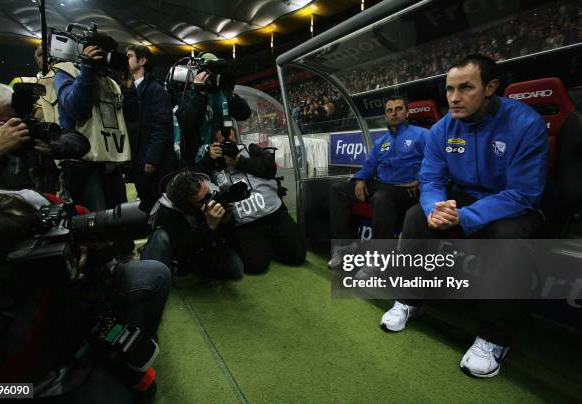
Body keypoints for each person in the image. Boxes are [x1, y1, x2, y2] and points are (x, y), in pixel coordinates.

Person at [380, 54, 548, 378]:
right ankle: (408, 300)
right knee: (416, 216)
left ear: (490, 87)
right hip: (464, 200)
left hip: (513, 204)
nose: (454, 98)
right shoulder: (442, 128)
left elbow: (523, 193)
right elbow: (430, 180)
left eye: (466, 88)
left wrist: (465, 216)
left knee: (507, 235)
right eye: (449, 89)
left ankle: (494, 338)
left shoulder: (526, 123)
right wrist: (435, 209)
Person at [0, 184, 171, 402]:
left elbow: (84, 217)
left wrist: (90, 243)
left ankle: (114, 360)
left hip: (72, 302)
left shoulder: (27, 201)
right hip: (14, 384)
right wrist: (57, 280)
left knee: (152, 275)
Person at [329, 96, 429, 263]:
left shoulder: (423, 135)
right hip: (381, 185)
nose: (394, 113)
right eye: (389, 110)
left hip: (406, 188)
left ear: (407, 113)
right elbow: (369, 165)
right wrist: (361, 180)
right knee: (338, 189)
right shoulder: (381, 141)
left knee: (381, 197)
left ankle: (378, 258)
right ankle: (345, 246)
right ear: (385, 116)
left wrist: (420, 179)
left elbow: (435, 162)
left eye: (399, 109)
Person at [198, 129, 306, 274]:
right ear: (213, 143)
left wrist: (240, 161)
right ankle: (258, 245)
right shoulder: (211, 162)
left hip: (275, 214)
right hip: (247, 224)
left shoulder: (250, 148)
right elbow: (198, 180)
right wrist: (208, 159)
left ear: (235, 136)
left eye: (230, 138)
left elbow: (269, 169)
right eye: (221, 143)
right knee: (255, 267)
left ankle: (270, 244)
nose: (227, 144)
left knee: (297, 257)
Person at [53, 37, 131, 212]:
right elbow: (76, 109)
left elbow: (131, 117)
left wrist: (129, 87)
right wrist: (86, 69)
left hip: (111, 162)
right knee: (95, 224)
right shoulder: (67, 73)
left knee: (121, 221)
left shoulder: (111, 82)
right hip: (84, 165)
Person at [0, 82, 89, 192]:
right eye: (5, 122)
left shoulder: (23, 124)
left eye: (15, 118)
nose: (14, 126)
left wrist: (52, 146)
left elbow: (79, 142)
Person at [142, 171, 244, 280]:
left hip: (203, 247)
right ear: (187, 203)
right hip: (179, 251)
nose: (209, 199)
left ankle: (193, 271)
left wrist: (225, 219)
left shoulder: (209, 188)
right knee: (161, 236)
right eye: (203, 200)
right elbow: (181, 248)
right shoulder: (168, 210)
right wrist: (209, 225)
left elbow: (224, 235)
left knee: (235, 269)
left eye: (208, 193)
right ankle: (170, 271)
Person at [124, 45, 178, 212]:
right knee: (147, 208)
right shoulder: (130, 89)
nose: (126, 60)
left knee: (160, 207)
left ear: (142, 61)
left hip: (153, 165)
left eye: (129, 56)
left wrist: (151, 159)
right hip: (139, 161)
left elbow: (161, 126)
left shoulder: (156, 90)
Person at [175, 53, 251, 168]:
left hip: (217, 157)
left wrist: (231, 93)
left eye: (218, 73)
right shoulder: (189, 94)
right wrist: (200, 93)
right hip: (195, 160)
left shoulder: (221, 94)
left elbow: (244, 114)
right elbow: (186, 124)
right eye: (211, 72)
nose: (214, 77)